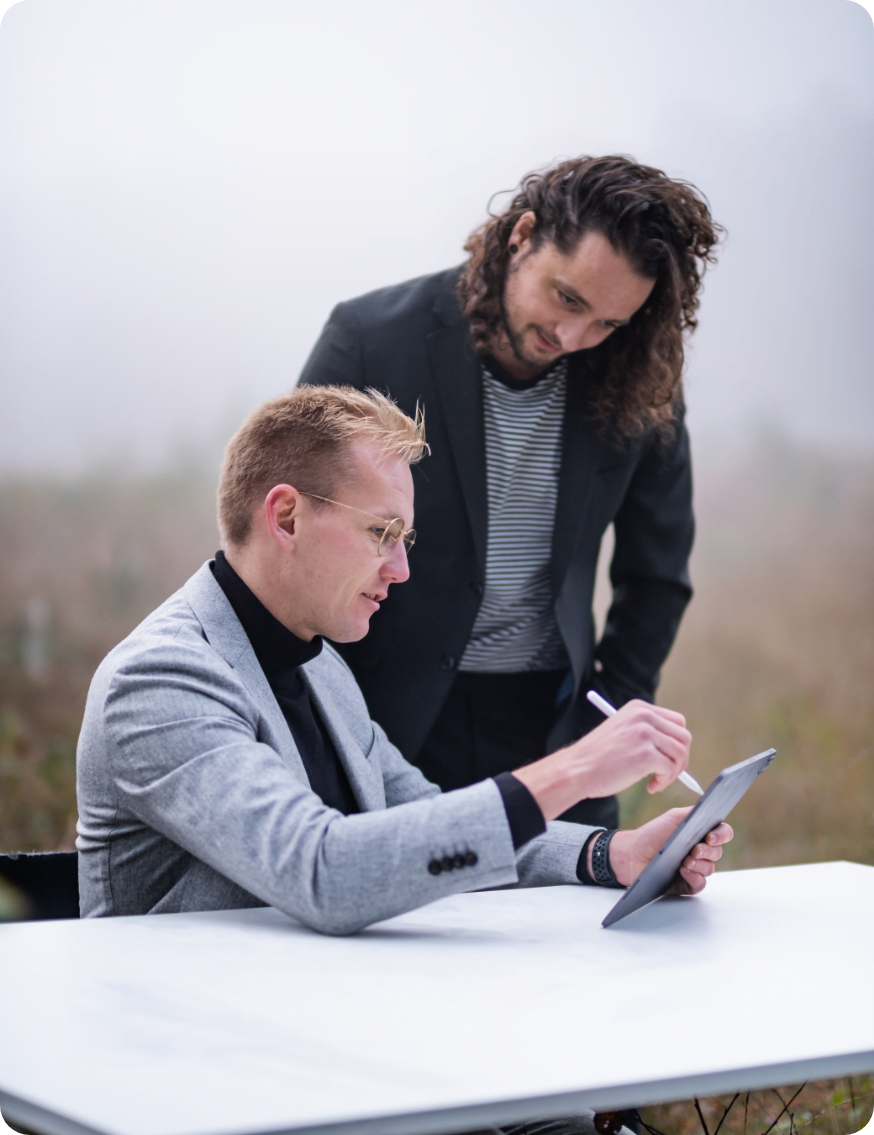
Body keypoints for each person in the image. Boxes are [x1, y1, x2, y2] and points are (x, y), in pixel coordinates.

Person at [76, 386, 730, 935]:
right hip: (190, 1061)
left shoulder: (320, 666)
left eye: (405, 537)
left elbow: (425, 823)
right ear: (285, 516)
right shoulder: (159, 680)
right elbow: (323, 871)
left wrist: (609, 852)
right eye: (380, 533)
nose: (402, 568)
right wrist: (577, 769)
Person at [299, 155, 722, 829]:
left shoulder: (642, 380)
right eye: (569, 299)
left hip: (556, 728)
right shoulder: (370, 340)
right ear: (522, 235)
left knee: (572, 930)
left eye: (609, 324)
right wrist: (318, 713)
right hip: (383, 722)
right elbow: (292, 540)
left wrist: (607, 713)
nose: (574, 338)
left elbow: (658, 574)